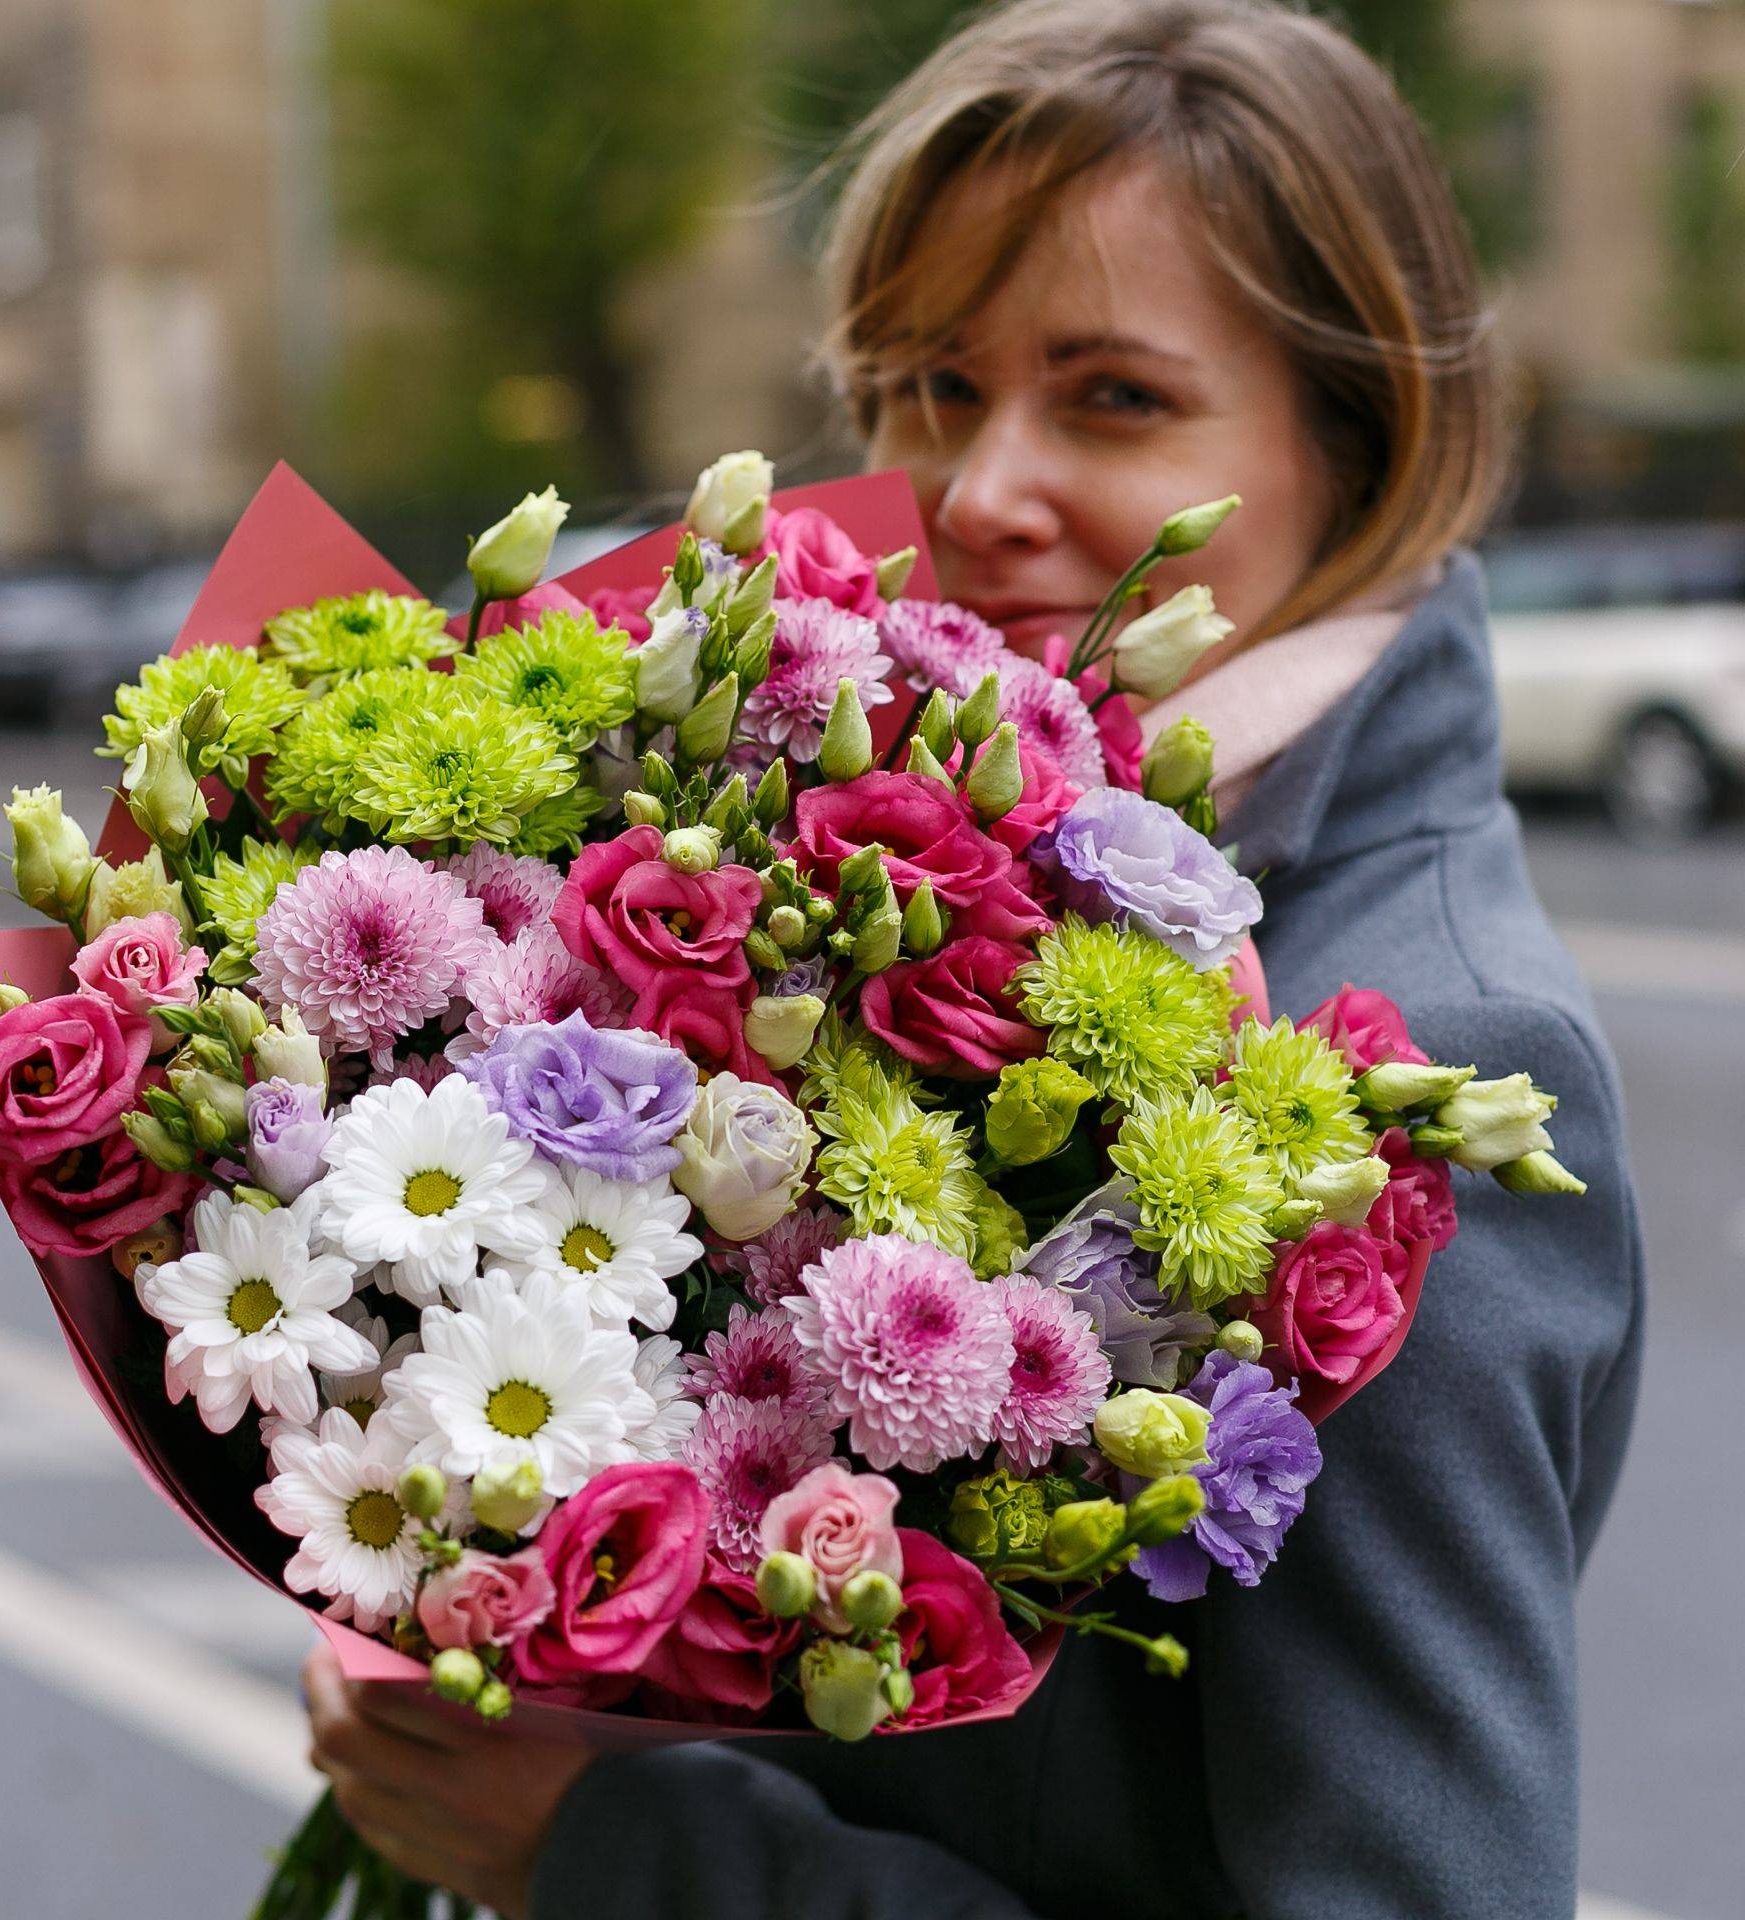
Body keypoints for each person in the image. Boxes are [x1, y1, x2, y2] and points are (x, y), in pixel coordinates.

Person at [302, 4, 1645, 1914]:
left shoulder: (1418, 1059)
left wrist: (627, 1852)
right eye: (931, 385)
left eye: (1112, 398)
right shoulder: (974, 874)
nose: (979, 485)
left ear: (1354, 439)